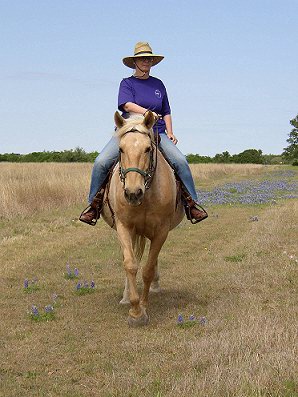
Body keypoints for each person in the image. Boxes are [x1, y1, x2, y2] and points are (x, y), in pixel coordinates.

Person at [80, 42, 208, 225]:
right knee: (101, 162)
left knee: (180, 161)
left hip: (156, 131)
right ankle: (94, 205)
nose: (146, 61)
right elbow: (126, 105)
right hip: (129, 132)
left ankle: (192, 204)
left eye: (148, 58)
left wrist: (170, 131)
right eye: (142, 58)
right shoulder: (127, 83)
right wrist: (146, 113)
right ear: (135, 62)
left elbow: (166, 110)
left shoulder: (158, 84)